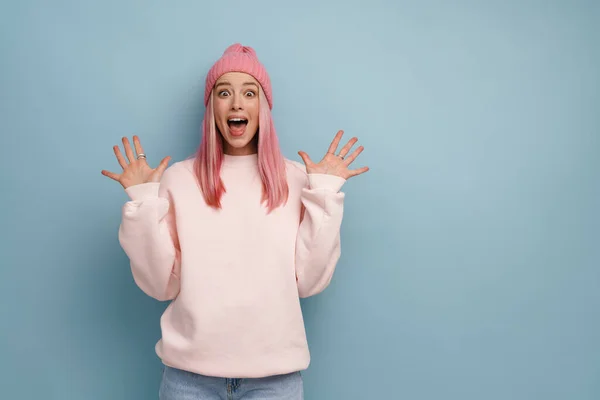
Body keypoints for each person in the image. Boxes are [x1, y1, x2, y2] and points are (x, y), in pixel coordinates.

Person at [101, 43, 369, 400]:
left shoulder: (296, 179)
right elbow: (159, 285)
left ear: (264, 107)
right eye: (224, 93)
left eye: (249, 93)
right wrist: (143, 203)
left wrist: (325, 194)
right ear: (212, 108)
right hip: (189, 380)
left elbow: (310, 282)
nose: (237, 104)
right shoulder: (178, 180)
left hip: (275, 381)